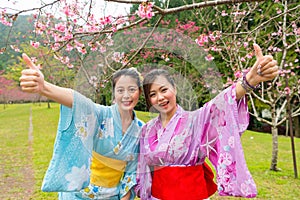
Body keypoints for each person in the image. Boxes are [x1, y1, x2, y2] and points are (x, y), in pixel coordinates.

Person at [135, 44, 279, 200]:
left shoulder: (195, 120)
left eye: (164, 90)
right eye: (153, 94)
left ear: (174, 89)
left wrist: (249, 81)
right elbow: (142, 168)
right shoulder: (147, 130)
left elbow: (218, 105)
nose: (160, 98)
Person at [19, 53, 144, 200]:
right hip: (81, 193)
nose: (126, 95)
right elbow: (79, 102)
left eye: (131, 89)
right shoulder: (101, 115)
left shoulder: (141, 129)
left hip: (112, 195)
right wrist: (44, 87)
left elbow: (133, 169)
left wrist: (125, 195)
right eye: (120, 90)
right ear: (114, 93)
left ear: (139, 92)